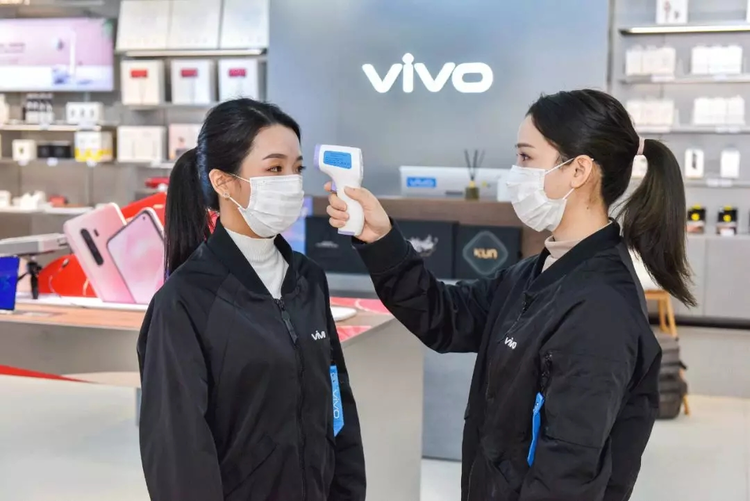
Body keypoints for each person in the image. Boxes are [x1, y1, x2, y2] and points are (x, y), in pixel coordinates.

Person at [327, 89, 694, 501]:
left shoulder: (600, 308)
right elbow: (445, 316)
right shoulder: (538, 271)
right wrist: (381, 239)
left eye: (525, 158)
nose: (515, 174)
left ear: (578, 170)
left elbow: (567, 473)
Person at [137, 98, 366, 501]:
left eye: (297, 169)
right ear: (224, 182)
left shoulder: (308, 279)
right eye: (275, 169)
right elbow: (178, 454)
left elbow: (336, 404)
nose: (292, 182)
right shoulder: (184, 301)